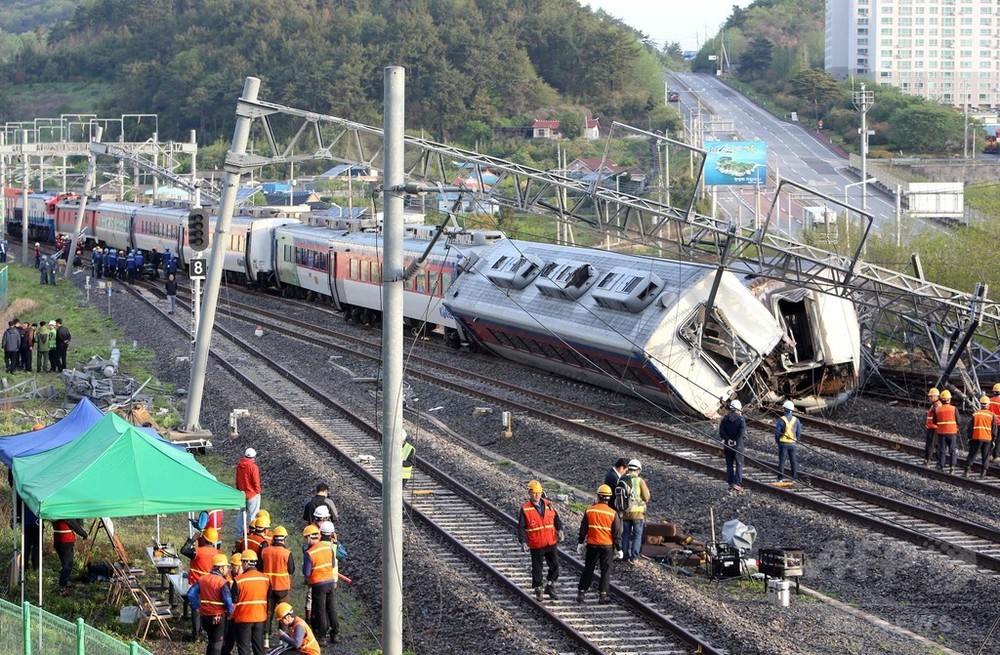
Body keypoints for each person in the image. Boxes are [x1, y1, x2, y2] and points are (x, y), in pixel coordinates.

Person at [575, 484, 621, 604]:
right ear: (609, 498)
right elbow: (616, 533)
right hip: (607, 546)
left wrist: (580, 542)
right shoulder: (613, 513)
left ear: (598, 496)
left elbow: (583, 528)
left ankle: (581, 593)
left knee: (588, 569)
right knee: (605, 570)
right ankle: (602, 596)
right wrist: (619, 548)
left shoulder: (590, 510)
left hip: (592, 545)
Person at [518, 480, 563, 601]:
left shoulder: (549, 505)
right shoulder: (525, 509)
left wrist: (560, 529)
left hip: (550, 541)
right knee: (537, 568)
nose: (537, 495)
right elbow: (521, 527)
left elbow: (556, 519)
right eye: (534, 493)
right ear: (529, 493)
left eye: (538, 493)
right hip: (536, 543)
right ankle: (538, 589)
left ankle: (550, 585)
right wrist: (523, 542)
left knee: (555, 566)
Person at [182, 526, 224, 641]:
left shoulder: (198, 551)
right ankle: (209, 633)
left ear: (204, 539)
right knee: (210, 608)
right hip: (212, 586)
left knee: (196, 609)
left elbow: (184, 550)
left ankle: (196, 635)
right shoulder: (219, 553)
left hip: (198, 585)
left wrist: (192, 539)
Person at [188, 554, 234, 655]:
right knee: (217, 644)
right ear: (221, 568)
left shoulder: (202, 579)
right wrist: (231, 612)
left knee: (211, 640)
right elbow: (227, 599)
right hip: (218, 617)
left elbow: (191, 594)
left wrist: (197, 607)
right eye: (226, 567)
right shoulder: (222, 582)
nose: (227, 569)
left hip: (205, 617)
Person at [301, 523, 338, 645]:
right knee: (331, 608)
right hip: (330, 582)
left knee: (320, 610)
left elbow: (306, 572)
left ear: (309, 537)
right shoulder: (328, 547)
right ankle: (335, 634)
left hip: (318, 584)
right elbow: (333, 565)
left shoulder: (309, 553)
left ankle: (322, 636)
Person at [260, 526, 295, 647]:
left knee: (268, 613)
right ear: (284, 539)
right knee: (284, 613)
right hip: (282, 588)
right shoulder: (287, 553)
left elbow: (260, 567)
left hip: (268, 587)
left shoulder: (265, 551)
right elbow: (291, 570)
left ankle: (266, 639)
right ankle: (283, 640)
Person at [232, 549, 270, 655]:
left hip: (243, 618)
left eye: (242, 562)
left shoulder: (238, 580)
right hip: (260, 617)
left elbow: (233, 600)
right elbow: (269, 598)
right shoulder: (265, 579)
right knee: (258, 647)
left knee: (244, 649)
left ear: (246, 563)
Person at [619, 460, 649, 562]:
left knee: (625, 535)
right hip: (638, 513)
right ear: (638, 469)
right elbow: (646, 497)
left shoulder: (621, 479)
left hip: (625, 512)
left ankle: (624, 556)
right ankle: (634, 557)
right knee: (637, 535)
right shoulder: (639, 481)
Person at [964, 395, 997, 478]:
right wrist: (993, 439)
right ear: (988, 405)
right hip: (987, 439)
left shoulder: (975, 414)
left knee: (972, 454)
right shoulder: (991, 415)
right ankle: (983, 473)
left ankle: (967, 470)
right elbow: (994, 430)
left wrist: (969, 437)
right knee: (985, 456)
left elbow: (970, 428)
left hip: (976, 437)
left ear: (981, 404)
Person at [51, 518, 88, 588]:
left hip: (58, 541)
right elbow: (76, 526)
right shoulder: (66, 517)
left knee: (65, 563)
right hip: (66, 541)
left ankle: (65, 580)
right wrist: (85, 535)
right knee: (68, 564)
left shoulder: (54, 516)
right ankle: (63, 583)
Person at [719, 399, 747, 491]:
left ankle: (730, 483)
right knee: (739, 464)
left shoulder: (724, 419)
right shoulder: (741, 420)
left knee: (729, 465)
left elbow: (721, 432)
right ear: (738, 409)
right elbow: (741, 433)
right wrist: (734, 440)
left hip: (727, 445)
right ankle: (737, 483)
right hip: (738, 445)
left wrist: (728, 440)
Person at [235, 448, 261, 537]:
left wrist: (239, 490)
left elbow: (237, 480)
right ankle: (251, 535)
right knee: (252, 516)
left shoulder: (239, 465)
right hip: (252, 495)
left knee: (241, 515)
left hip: (242, 494)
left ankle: (239, 535)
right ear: (253, 457)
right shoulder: (253, 467)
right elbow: (256, 482)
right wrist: (257, 492)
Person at [774, 400, 801, 482]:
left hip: (783, 443)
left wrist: (778, 441)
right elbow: (798, 433)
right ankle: (794, 478)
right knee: (793, 461)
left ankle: (780, 478)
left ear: (784, 409)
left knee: (782, 461)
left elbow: (777, 433)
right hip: (793, 444)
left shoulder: (781, 420)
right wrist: (796, 440)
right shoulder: (796, 420)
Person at [935, 389, 960, 473]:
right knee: (952, 449)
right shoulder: (953, 409)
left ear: (941, 399)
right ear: (949, 399)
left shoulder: (938, 409)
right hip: (951, 432)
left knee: (942, 449)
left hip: (941, 432)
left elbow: (935, 421)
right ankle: (952, 466)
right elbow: (958, 421)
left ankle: (941, 466)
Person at [924, 388, 942, 466]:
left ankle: (927, 459)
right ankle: (939, 461)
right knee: (937, 445)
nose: (930, 398)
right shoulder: (936, 404)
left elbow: (937, 416)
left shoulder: (936, 405)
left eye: (931, 396)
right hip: (934, 427)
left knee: (930, 444)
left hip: (933, 428)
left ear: (935, 396)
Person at [989, 384, 1000, 461]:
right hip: (999, 423)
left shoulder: (989, 400)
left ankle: (988, 455)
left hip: (990, 423)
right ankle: (995, 456)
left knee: (991, 439)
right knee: (998, 440)